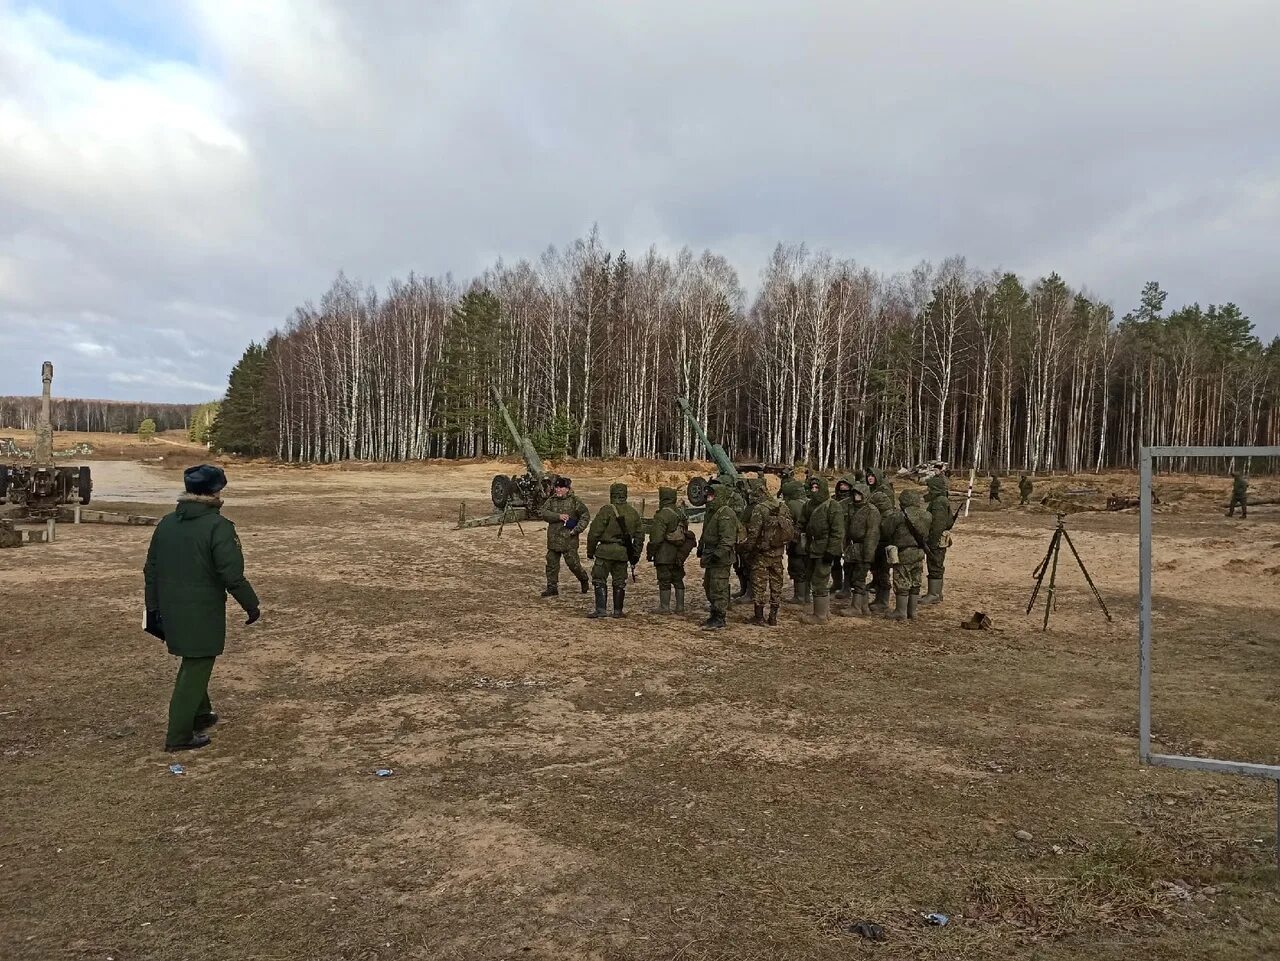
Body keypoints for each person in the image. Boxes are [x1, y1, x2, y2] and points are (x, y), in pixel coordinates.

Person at [144, 464, 260, 752]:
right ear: (215, 491)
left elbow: (151, 570)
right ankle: (179, 734)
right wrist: (251, 604)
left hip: (170, 608)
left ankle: (200, 714)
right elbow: (231, 574)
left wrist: (153, 609)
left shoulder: (168, 523)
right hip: (202, 610)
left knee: (193, 660)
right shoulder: (218, 526)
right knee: (196, 666)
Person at [586, 482, 643, 618]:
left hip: (605, 551)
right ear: (625, 495)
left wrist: (590, 550)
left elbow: (594, 532)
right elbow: (640, 536)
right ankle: (618, 611)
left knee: (599, 579)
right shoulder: (633, 512)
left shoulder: (606, 510)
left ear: (612, 494)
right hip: (622, 553)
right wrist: (635, 555)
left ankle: (601, 610)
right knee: (619, 581)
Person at [744, 480, 793, 626]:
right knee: (776, 584)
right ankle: (773, 617)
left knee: (759, 585)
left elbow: (753, 533)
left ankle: (759, 617)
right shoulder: (781, 506)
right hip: (778, 553)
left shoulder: (759, 509)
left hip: (762, 554)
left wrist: (748, 550)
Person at [801, 475, 845, 624]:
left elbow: (838, 532)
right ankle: (824, 612)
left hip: (825, 548)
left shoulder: (833, 506)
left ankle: (819, 616)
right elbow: (802, 523)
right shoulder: (807, 505)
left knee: (820, 580)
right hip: (812, 548)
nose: (814, 490)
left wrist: (831, 551)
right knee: (815, 579)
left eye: (817, 488)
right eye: (812, 487)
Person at [538, 475, 591, 597]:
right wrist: (558, 516)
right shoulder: (551, 500)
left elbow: (585, 515)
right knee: (551, 564)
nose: (558, 490)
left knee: (573, 565)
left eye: (561, 487)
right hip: (553, 539)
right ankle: (552, 587)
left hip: (569, 540)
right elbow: (543, 512)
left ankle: (583, 579)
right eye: (556, 487)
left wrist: (577, 529)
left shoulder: (575, 501)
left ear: (567, 489)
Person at [885, 489, 932, 621]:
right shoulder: (927, 516)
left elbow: (886, 530)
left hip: (903, 553)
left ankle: (900, 611)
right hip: (919, 552)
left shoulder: (898, 516)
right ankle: (912, 612)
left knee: (902, 582)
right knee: (915, 582)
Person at [698, 482, 739, 630]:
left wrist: (718, 554)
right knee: (709, 585)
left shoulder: (725, 513)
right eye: (708, 496)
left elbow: (727, 539)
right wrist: (700, 546)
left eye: (712, 496)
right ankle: (714, 614)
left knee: (718, 587)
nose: (709, 499)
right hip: (710, 555)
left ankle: (719, 617)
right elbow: (706, 532)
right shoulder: (711, 512)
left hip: (720, 557)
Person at [836, 482, 880, 617]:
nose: (856, 496)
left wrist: (868, 556)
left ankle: (856, 607)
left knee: (859, 578)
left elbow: (872, 534)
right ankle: (864, 606)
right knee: (855, 577)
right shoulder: (851, 508)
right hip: (853, 548)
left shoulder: (871, 511)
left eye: (859, 494)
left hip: (864, 548)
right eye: (854, 493)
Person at [647, 485, 692, 613]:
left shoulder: (662, 515)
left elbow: (656, 539)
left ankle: (664, 607)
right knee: (678, 579)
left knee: (664, 580)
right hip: (679, 554)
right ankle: (680, 607)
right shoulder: (680, 513)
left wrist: (650, 553)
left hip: (664, 554)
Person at [920, 474, 955, 606]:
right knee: (937, 565)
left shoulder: (939, 502)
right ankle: (936, 593)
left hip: (936, 541)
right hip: (940, 540)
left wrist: (931, 543)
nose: (928, 490)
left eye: (930, 487)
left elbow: (938, 525)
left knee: (934, 565)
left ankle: (933, 594)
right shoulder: (942, 500)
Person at [782, 479, 810, 605]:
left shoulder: (792, 504)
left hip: (797, 541)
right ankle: (806, 596)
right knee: (805, 568)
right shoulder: (807, 501)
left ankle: (799, 597)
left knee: (797, 567)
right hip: (807, 541)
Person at [868, 488, 895, 612]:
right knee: (878, 574)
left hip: (884, 549)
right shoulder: (883, 514)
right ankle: (879, 599)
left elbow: (887, 533)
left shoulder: (889, 516)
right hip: (880, 547)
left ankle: (883, 602)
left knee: (883, 575)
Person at [830, 475, 854, 599]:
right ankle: (837, 583)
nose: (842, 486)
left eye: (845, 484)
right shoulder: (833, 499)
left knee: (848, 562)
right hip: (836, 534)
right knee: (835, 560)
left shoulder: (852, 501)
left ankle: (847, 586)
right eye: (841, 484)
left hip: (848, 535)